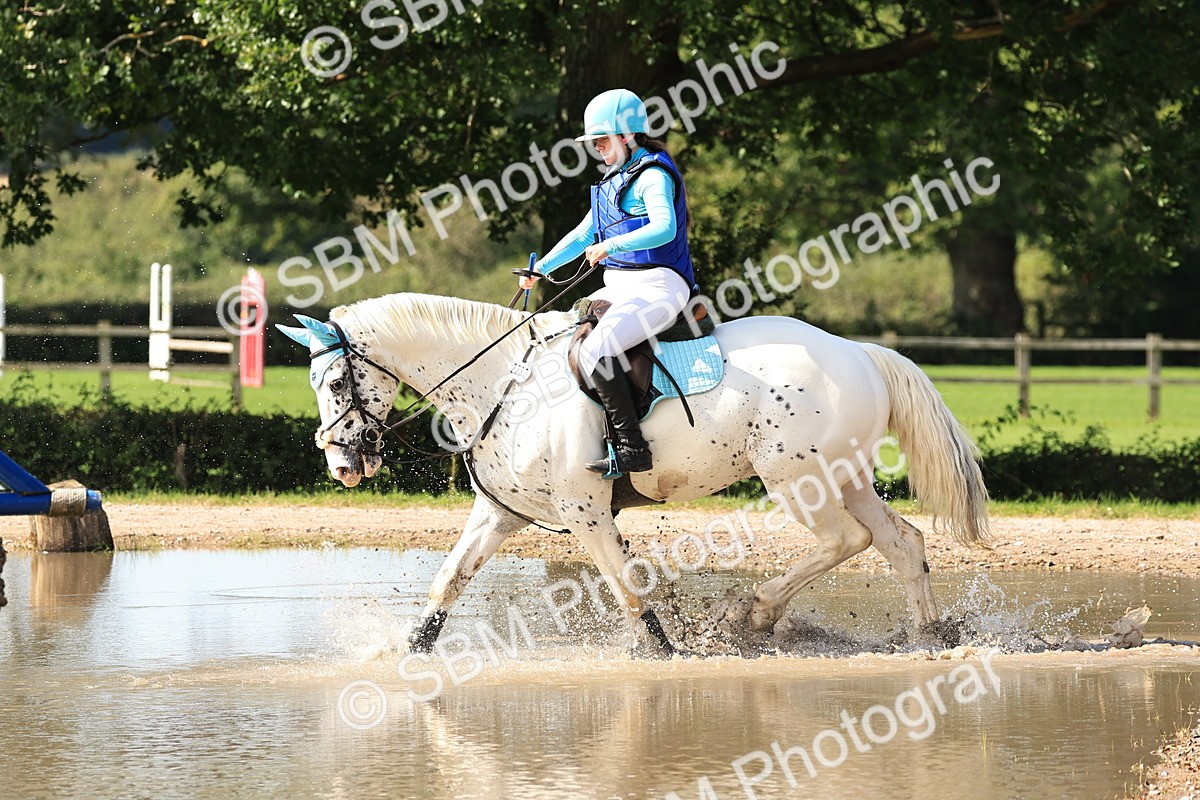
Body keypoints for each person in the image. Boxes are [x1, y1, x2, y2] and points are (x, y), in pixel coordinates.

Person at [520, 88, 697, 475]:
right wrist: (542, 268)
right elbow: (585, 235)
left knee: (596, 350)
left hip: (659, 285)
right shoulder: (614, 179)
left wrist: (612, 244)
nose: (598, 147)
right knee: (565, 340)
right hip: (620, 287)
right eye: (594, 142)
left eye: (602, 139)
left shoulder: (652, 174)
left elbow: (664, 228)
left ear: (626, 135)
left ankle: (633, 448)